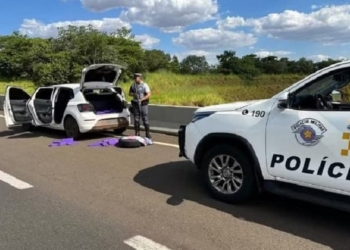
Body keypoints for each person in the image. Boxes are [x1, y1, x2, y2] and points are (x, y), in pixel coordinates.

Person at [129, 73, 152, 138]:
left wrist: (142, 99)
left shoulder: (145, 85)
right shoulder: (133, 85)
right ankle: (137, 133)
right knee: (136, 119)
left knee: (145, 118)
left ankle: (147, 133)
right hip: (136, 104)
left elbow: (148, 94)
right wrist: (133, 94)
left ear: (140, 78)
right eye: (135, 77)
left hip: (143, 104)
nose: (135, 79)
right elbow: (130, 93)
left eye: (136, 77)